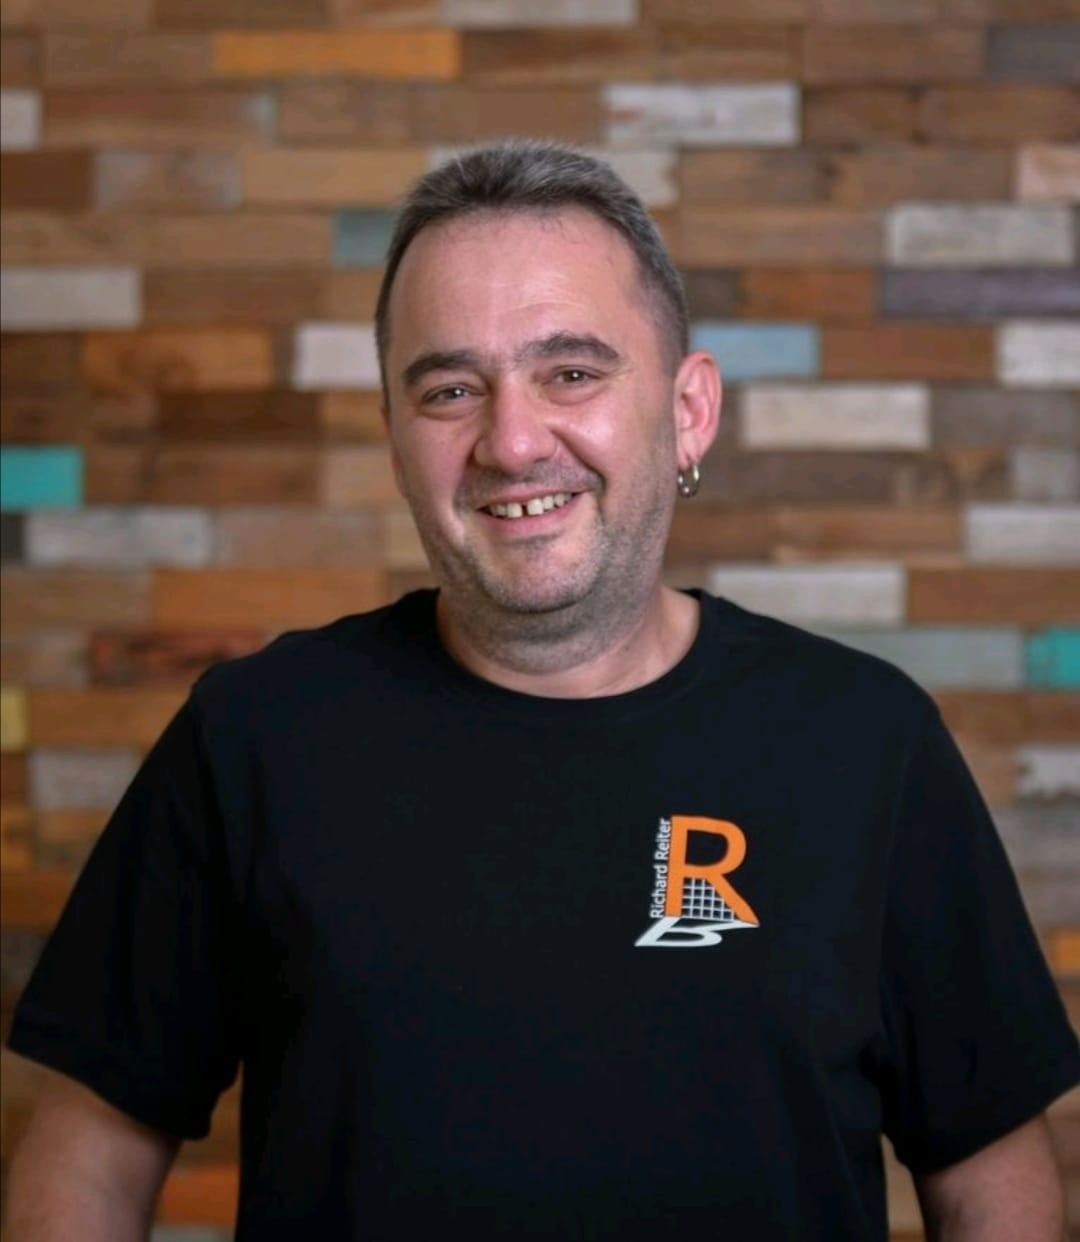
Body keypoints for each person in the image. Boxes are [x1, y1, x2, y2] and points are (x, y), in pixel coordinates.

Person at [4, 140, 1077, 1241]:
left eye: (571, 372)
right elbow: (85, 1170)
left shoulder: (864, 742)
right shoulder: (253, 740)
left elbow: (992, 1184)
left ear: (689, 410)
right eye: (450, 390)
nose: (512, 443)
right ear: (395, 439)